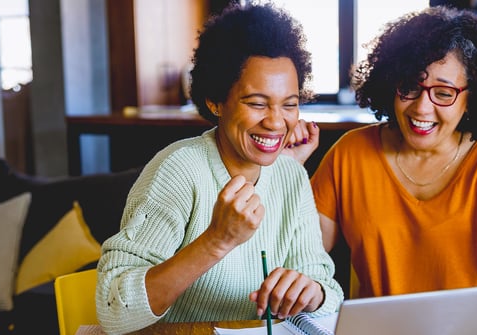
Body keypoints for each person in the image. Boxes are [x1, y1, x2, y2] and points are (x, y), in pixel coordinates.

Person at [95, 3, 343, 334]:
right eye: (256, 103)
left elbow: (329, 290)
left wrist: (312, 293)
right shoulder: (179, 171)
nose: (275, 121)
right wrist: (217, 240)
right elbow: (115, 310)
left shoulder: (291, 176)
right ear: (215, 101)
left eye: (290, 104)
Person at [302, 6, 477, 298]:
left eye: (443, 93)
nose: (421, 107)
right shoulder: (351, 153)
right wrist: (286, 171)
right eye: (409, 87)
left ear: (472, 99)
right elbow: (305, 250)